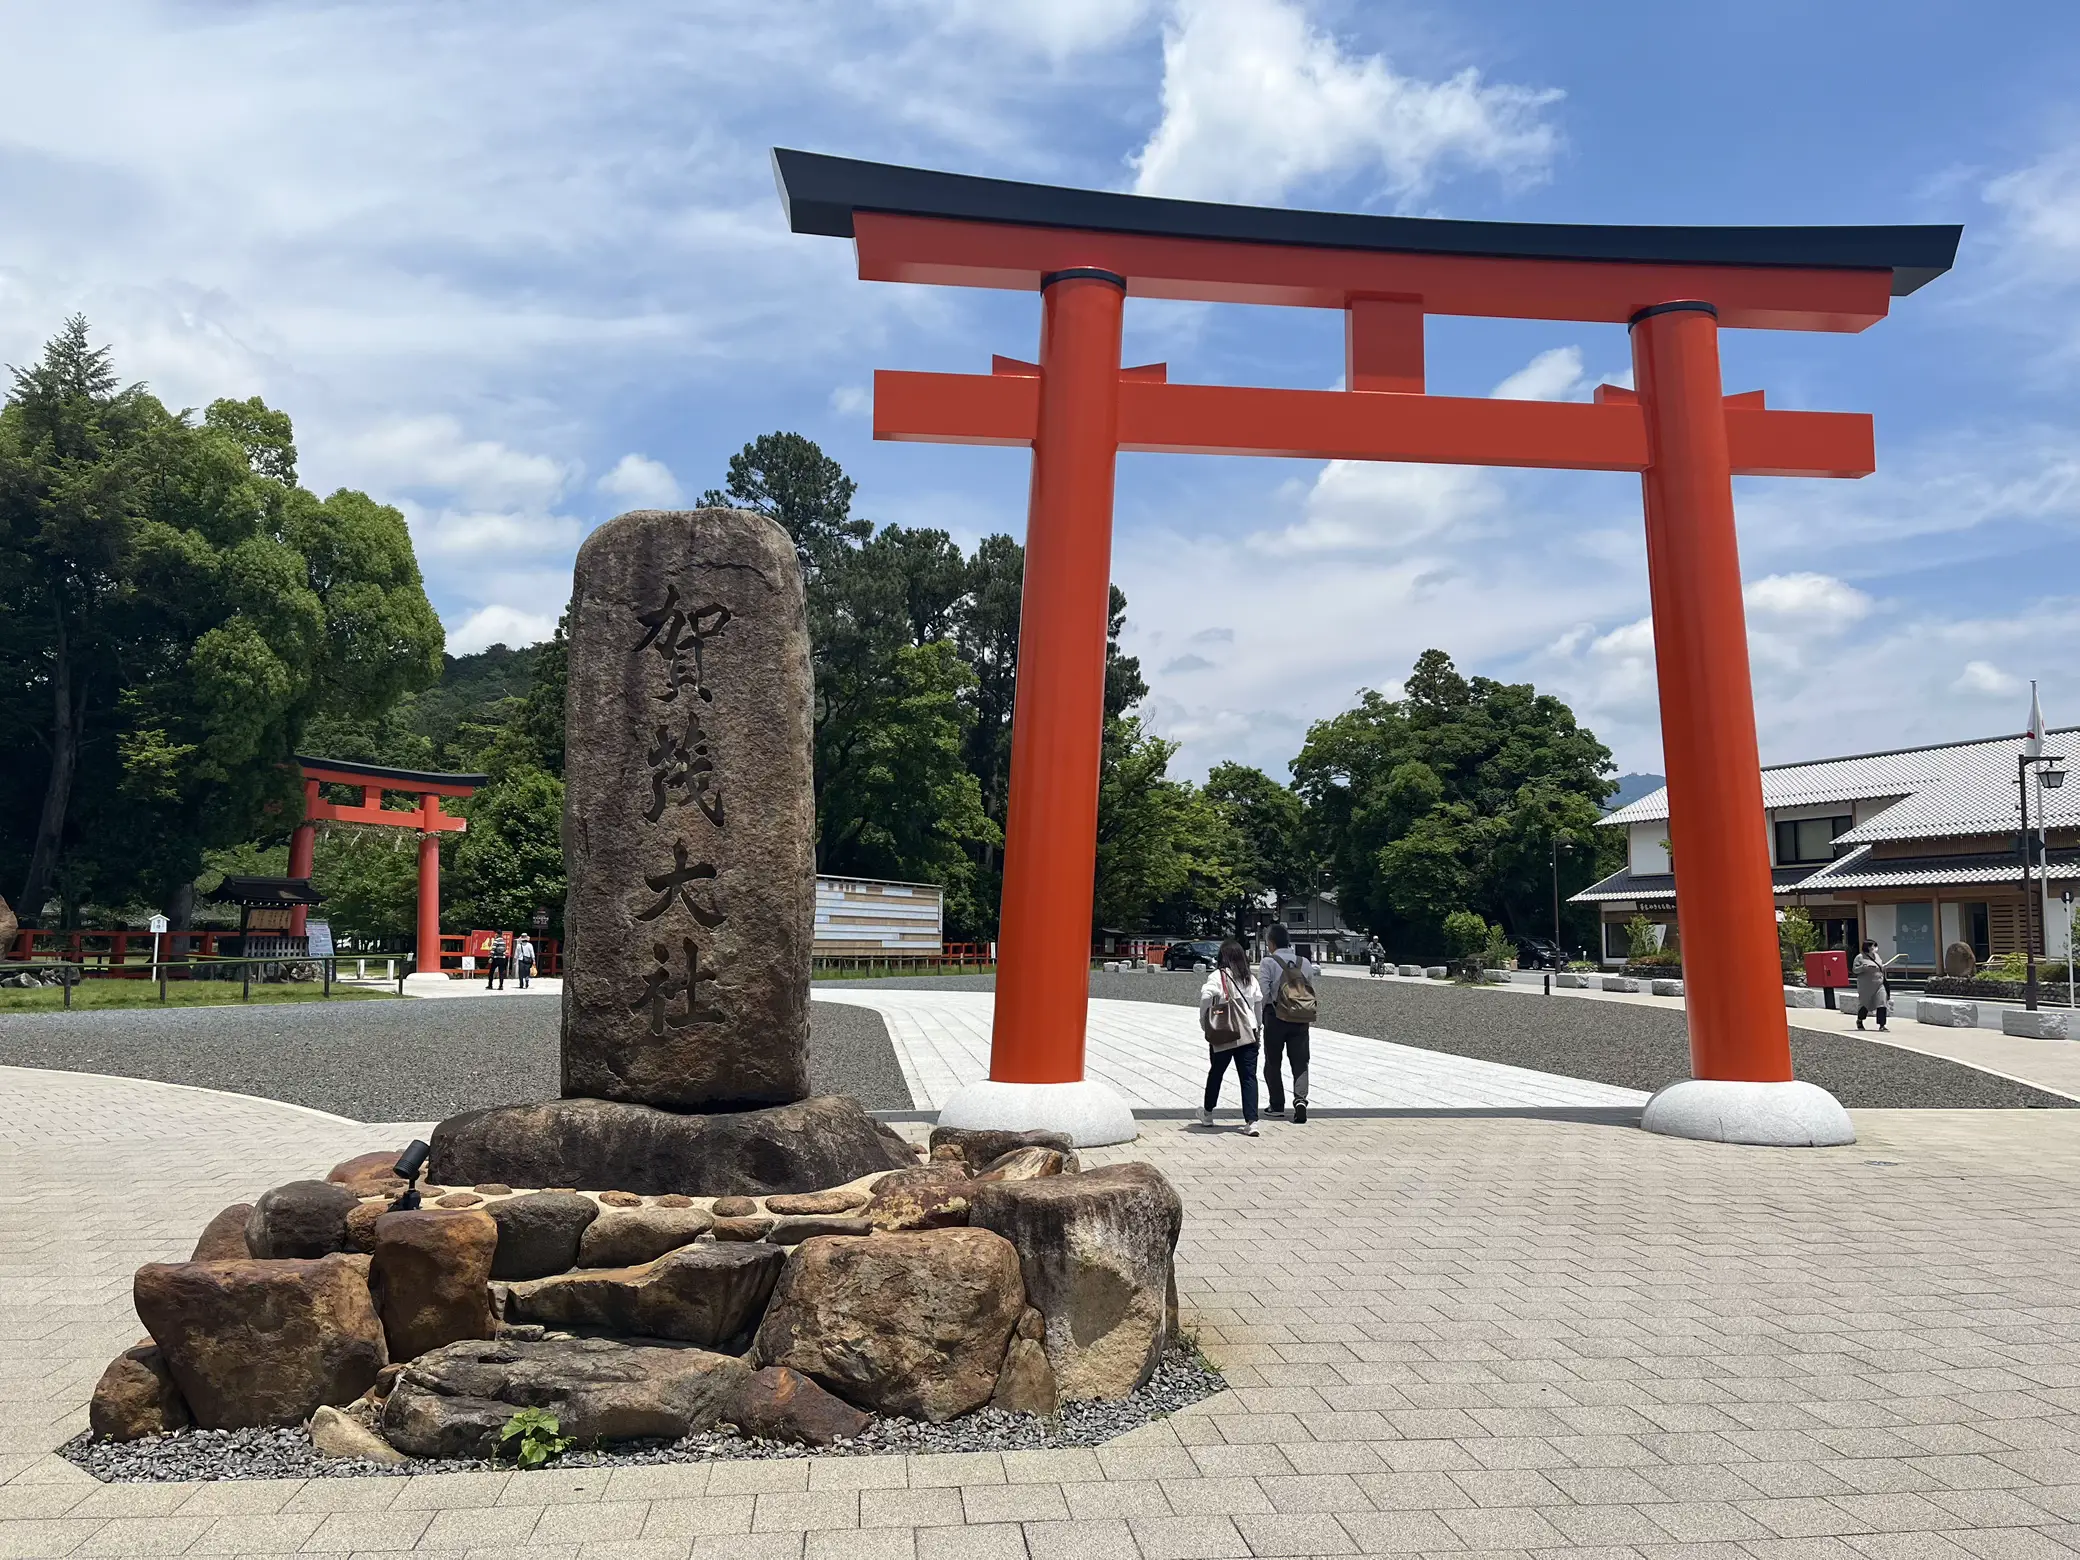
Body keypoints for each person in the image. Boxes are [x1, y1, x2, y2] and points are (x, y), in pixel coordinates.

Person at [1198, 939, 1261, 1134]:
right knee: (1248, 1076)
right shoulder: (1250, 977)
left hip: (1224, 1031)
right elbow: (1258, 1003)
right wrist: (1258, 1026)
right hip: (1249, 1031)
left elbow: (1206, 995)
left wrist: (1204, 1021)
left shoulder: (1218, 975)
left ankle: (1208, 1113)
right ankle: (1251, 1121)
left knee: (1216, 1072)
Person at [1259, 923, 1319, 1123]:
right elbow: (1307, 987)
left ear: (1271, 942)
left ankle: (1276, 1104)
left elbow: (1264, 993)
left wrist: (1259, 1019)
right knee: (1300, 1062)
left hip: (1275, 1017)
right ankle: (1300, 1100)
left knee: (1273, 1061)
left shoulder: (1269, 962)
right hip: (1300, 1017)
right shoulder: (1305, 962)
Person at [1852, 938, 1900, 1031]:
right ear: (1868, 947)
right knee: (1864, 1004)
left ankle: (1882, 1025)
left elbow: (1880, 967)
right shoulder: (1860, 957)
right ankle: (1860, 1020)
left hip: (1879, 983)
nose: (1875, 948)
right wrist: (1863, 967)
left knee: (1882, 1003)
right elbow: (1855, 970)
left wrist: (1884, 967)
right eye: (1873, 946)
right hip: (1866, 985)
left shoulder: (1877, 956)